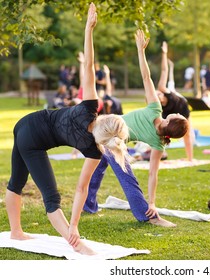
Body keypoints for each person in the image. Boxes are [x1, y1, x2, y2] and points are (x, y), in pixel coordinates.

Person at [5, 3, 130, 255]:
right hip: (33, 139)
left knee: (17, 182)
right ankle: (78, 246)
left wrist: (89, 29)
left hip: (27, 122)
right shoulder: (94, 150)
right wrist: (73, 226)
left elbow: (88, 65)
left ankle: (16, 231)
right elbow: (81, 189)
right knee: (51, 198)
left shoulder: (89, 106)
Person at [83, 30, 189, 227]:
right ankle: (91, 206)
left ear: (170, 122)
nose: (177, 112)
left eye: (178, 115)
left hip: (106, 134)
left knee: (109, 170)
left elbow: (146, 77)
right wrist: (152, 200)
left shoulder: (155, 109)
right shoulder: (159, 141)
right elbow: (152, 174)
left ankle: (145, 215)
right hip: (104, 131)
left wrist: (141, 51)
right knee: (108, 170)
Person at [157, 41, 195, 161]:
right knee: (160, 132)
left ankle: (190, 158)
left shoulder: (164, 90)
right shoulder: (156, 106)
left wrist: (164, 54)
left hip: (182, 107)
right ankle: (160, 155)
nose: (156, 94)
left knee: (187, 133)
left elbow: (164, 71)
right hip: (169, 114)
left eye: (158, 94)